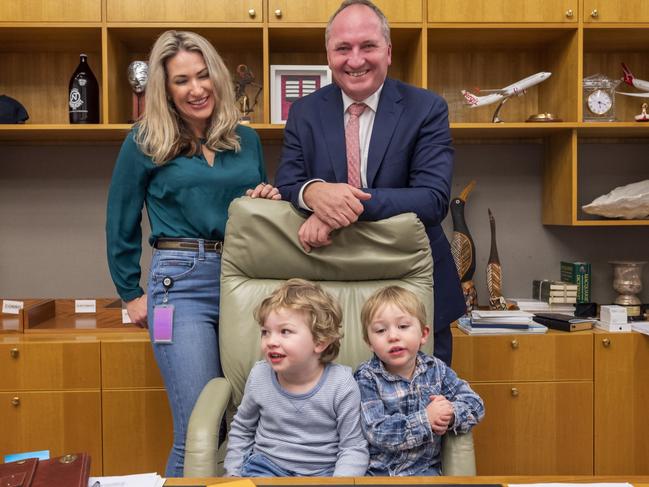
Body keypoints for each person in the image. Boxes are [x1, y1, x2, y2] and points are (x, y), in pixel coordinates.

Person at [105, 30, 280, 477]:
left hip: (243, 281)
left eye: (204, 76)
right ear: (165, 89)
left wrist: (265, 198)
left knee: (248, 422)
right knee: (199, 429)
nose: (196, 89)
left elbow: (252, 216)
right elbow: (120, 218)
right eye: (182, 80)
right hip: (178, 283)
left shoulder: (245, 139)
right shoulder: (144, 139)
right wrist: (130, 292)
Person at [274, 0, 464, 366]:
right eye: (343, 48)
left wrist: (337, 207)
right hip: (331, 286)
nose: (355, 59)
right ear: (329, 55)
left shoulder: (426, 108)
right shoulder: (304, 111)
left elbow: (432, 199)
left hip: (413, 286)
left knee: (422, 411)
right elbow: (288, 183)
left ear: (388, 52)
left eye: (368, 46)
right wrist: (314, 192)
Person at [224, 278, 369, 477]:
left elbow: (353, 448)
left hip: (322, 475)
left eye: (285, 331)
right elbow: (242, 430)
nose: (271, 341)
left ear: (320, 341)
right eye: (265, 332)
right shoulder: (259, 375)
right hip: (265, 469)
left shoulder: (341, 384)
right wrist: (233, 475)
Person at [354, 286, 484, 476]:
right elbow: (377, 432)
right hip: (380, 475)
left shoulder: (436, 370)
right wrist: (426, 420)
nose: (393, 336)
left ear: (423, 334)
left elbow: (476, 404)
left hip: (425, 474)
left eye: (403, 326)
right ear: (369, 342)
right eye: (381, 330)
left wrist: (450, 414)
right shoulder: (366, 377)